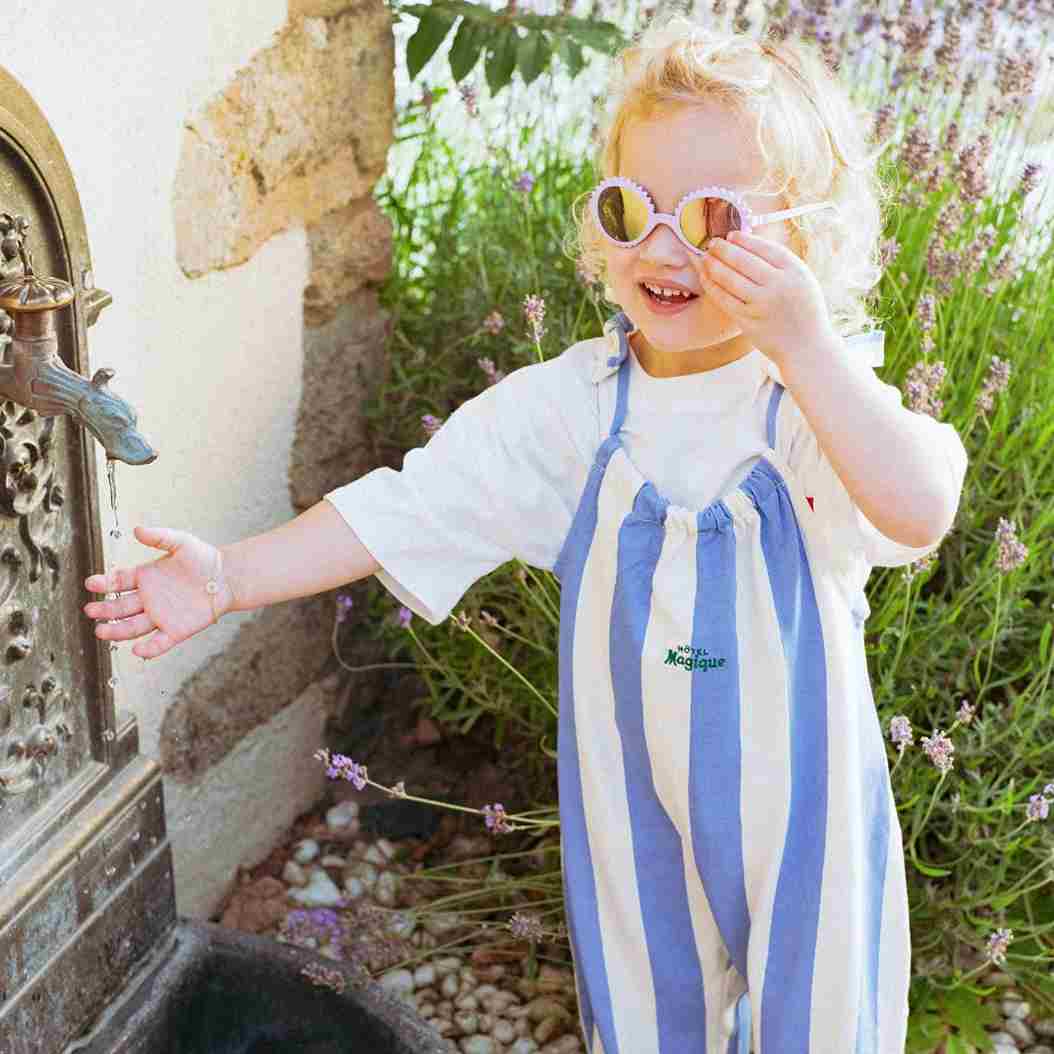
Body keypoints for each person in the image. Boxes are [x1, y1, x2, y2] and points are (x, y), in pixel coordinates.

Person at [84, 15, 968, 1054]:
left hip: (804, 816)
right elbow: (406, 504)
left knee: (819, 1020)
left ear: (803, 247)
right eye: (631, 208)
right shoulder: (574, 413)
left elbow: (917, 507)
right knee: (646, 1018)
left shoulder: (811, 406)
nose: (665, 247)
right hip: (633, 810)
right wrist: (230, 576)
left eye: (715, 219)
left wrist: (811, 349)